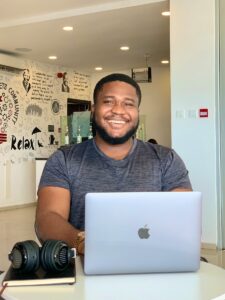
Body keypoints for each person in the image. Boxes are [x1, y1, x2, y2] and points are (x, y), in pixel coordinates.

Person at [35, 73, 192, 255]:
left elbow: (185, 219)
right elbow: (47, 219)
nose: (118, 110)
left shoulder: (166, 160)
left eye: (128, 103)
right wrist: (84, 243)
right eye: (108, 101)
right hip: (85, 266)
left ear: (137, 112)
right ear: (94, 109)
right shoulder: (64, 160)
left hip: (155, 262)